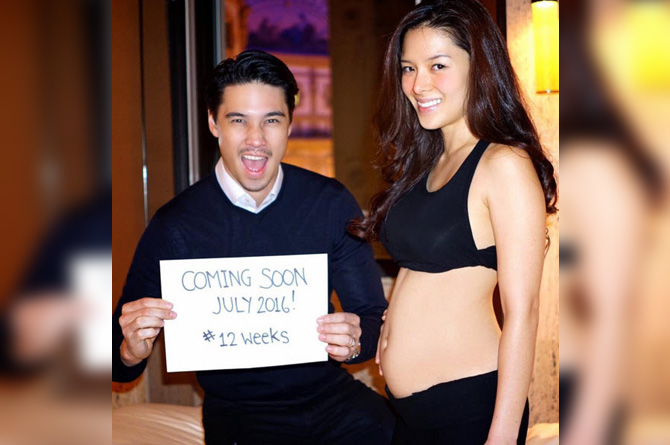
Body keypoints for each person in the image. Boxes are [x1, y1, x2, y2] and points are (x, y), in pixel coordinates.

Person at [112, 50, 394, 444]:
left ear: (290, 124)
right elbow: (118, 363)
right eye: (238, 120)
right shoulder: (175, 224)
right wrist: (130, 349)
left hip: (332, 401)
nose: (256, 139)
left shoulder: (329, 203)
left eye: (271, 120)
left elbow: (372, 318)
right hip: (239, 416)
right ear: (213, 123)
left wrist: (354, 341)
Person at [350, 1, 557, 443]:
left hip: (468, 406)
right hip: (410, 413)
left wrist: (501, 436)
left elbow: (523, 313)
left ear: (478, 67)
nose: (418, 84)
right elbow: (426, 273)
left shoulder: (503, 164)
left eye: (437, 65)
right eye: (408, 68)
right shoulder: (427, 162)